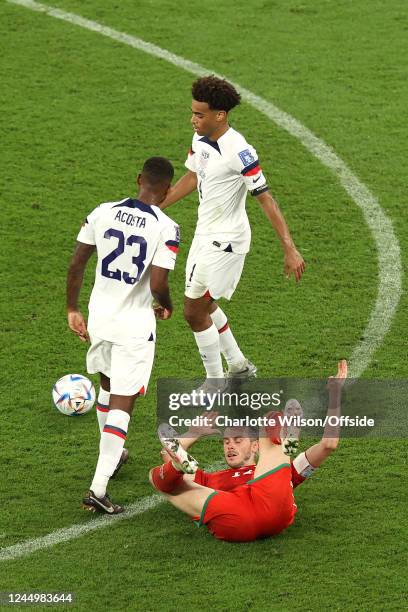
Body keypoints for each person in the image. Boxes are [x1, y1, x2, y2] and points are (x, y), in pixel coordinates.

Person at [159, 75, 305, 387]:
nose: (193, 119)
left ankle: (215, 384)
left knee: (193, 312)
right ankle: (238, 365)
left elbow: (266, 199)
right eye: (193, 112)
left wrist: (289, 248)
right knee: (204, 304)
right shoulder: (200, 139)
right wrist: (157, 206)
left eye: (199, 114)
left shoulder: (239, 151)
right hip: (204, 235)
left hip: (226, 242)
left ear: (220, 115)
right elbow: (192, 175)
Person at [67, 156, 179, 514]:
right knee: (123, 404)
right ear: (166, 192)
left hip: (100, 318)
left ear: (138, 180)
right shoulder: (166, 227)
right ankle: (98, 488)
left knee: (108, 386)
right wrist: (165, 304)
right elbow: (159, 283)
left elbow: (76, 264)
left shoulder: (102, 212)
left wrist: (73, 309)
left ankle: (112, 459)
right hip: (134, 328)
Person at [149, 360, 347, 542]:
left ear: (254, 446)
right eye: (225, 441)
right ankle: (287, 439)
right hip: (238, 513)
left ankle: (285, 439)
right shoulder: (209, 479)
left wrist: (335, 394)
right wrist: (193, 432)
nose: (230, 445)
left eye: (237, 440)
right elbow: (166, 455)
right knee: (162, 480)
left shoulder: (289, 472)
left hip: (255, 508)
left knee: (270, 420)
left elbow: (328, 444)